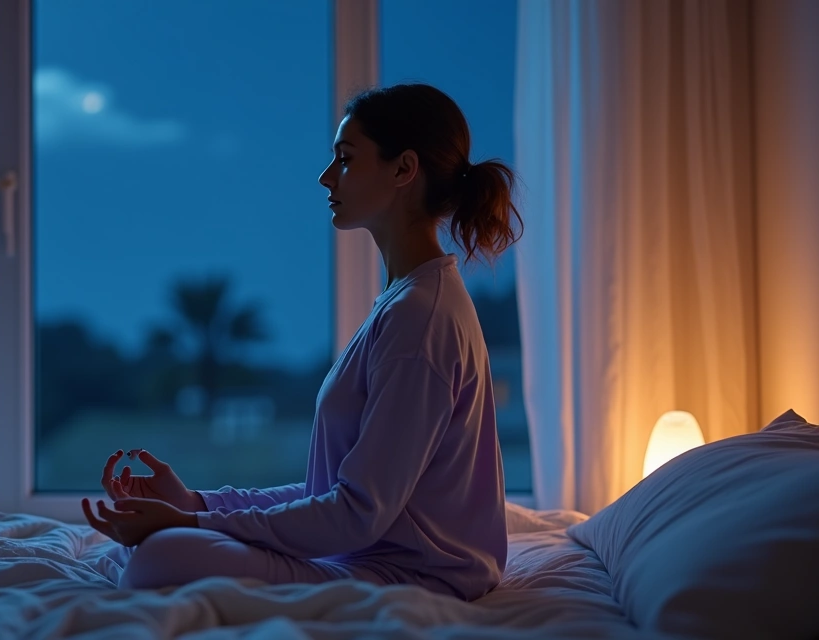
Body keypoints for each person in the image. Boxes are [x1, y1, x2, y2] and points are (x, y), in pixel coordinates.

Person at [81, 82, 523, 601]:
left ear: (404, 170)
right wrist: (198, 505)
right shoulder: (406, 302)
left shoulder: (420, 319)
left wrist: (191, 524)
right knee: (155, 547)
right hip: (371, 554)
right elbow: (334, 496)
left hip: (415, 577)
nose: (325, 177)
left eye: (345, 159)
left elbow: (355, 515)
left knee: (162, 554)